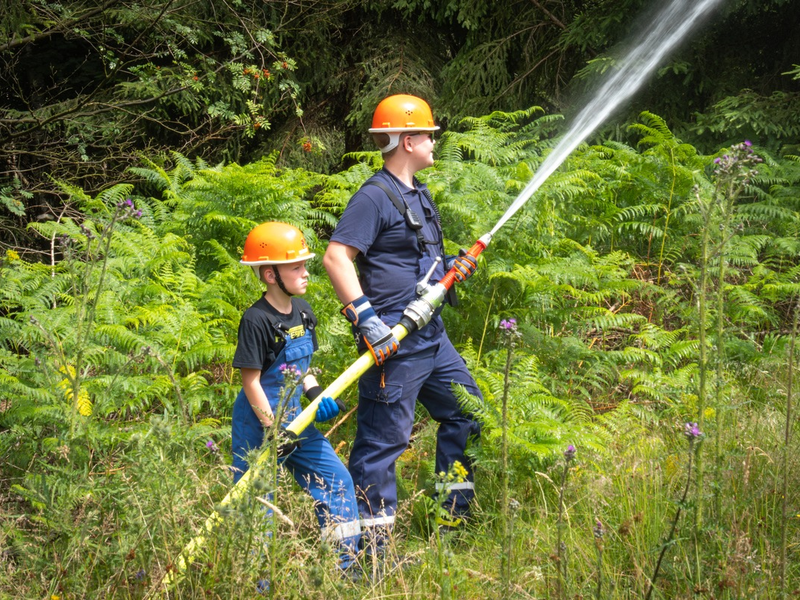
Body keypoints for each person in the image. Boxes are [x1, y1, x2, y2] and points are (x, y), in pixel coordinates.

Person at [322, 94, 482, 554]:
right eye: (429, 134)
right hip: (394, 343)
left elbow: (416, 262)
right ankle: (369, 557)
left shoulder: (418, 194)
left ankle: (452, 525)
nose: (435, 141)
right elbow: (337, 257)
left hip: (431, 337)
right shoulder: (374, 196)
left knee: (467, 414)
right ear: (408, 140)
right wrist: (366, 319)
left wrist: (452, 266)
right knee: (382, 446)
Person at [231, 221, 361, 576]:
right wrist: (272, 429)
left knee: (336, 482)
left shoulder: (303, 311)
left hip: (295, 420)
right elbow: (251, 382)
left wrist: (315, 394)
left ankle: (342, 573)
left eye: (304, 264)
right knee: (257, 506)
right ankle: (255, 587)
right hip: (258, 425)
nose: (306, 272)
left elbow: (302, 367)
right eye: (296, 267)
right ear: (271, 275)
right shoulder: (256, 320)